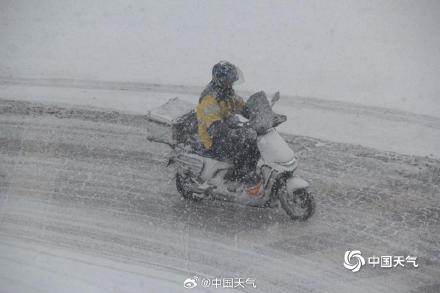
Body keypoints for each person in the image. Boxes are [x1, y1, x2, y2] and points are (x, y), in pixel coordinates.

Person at [196, 61, 260, 184]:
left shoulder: (227, 93)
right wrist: (233, 127)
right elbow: (215, 126)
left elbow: (242, 106)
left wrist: (255, 113)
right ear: (221, 79)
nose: (231, 83)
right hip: (211, 137)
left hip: (223, 130)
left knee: (254, 140)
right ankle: (234, 177)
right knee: (244, 144)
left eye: (232, 80)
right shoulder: (210, 97)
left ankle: (247, 171)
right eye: (229, 80)